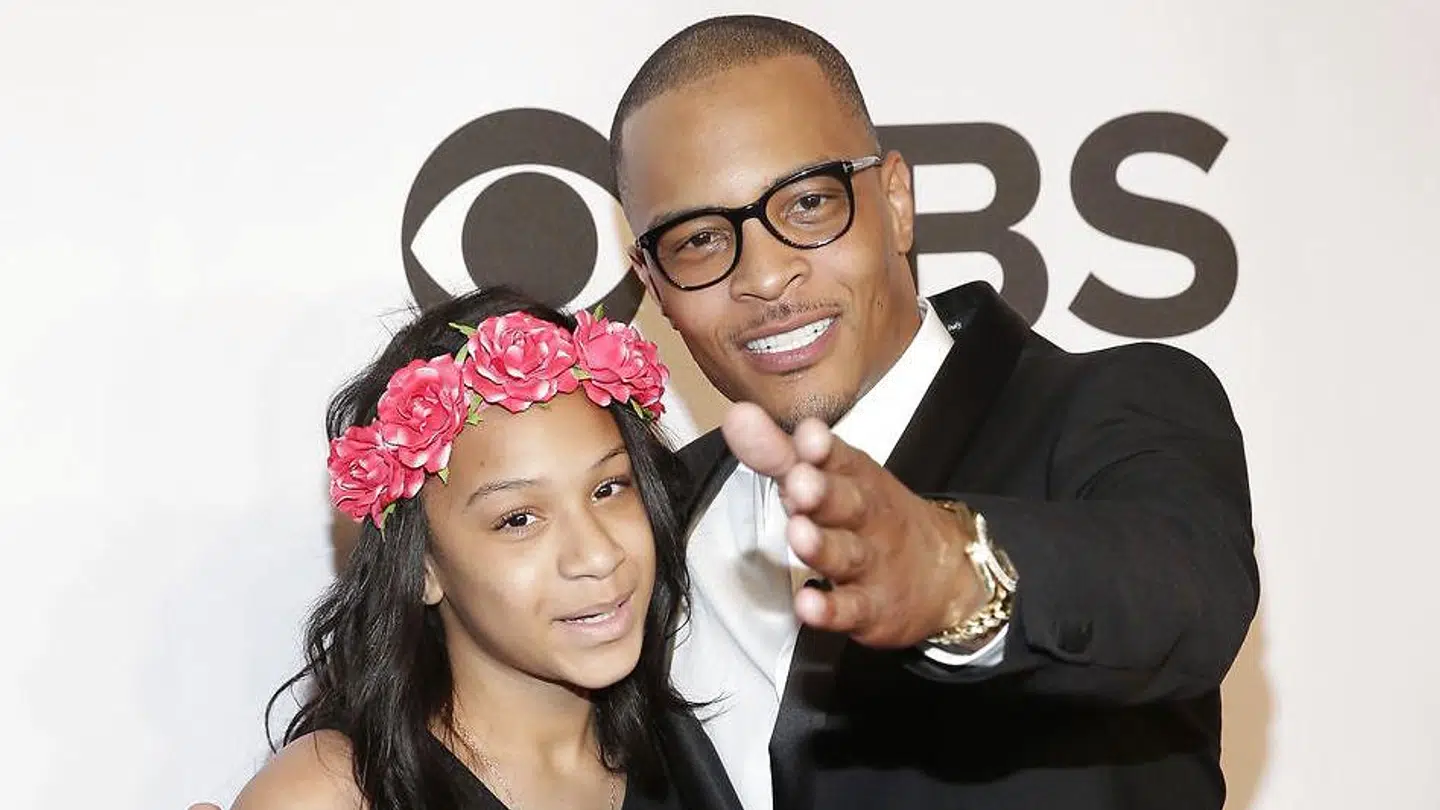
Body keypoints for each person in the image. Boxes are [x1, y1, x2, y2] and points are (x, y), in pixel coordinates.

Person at [608, 13, 1259, 810]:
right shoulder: (648, 520)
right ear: (653, 282)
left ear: (896, 201)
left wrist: (954, 572)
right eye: (699, 240)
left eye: (808, 203)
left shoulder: (1108, 404)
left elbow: (1186, 596)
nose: (766, 276)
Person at [226, 286, 740, 810]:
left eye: (608, 489)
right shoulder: (333, 793)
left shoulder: (704, 747)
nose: (597, 555)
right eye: (519, 519)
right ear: (422, 566)